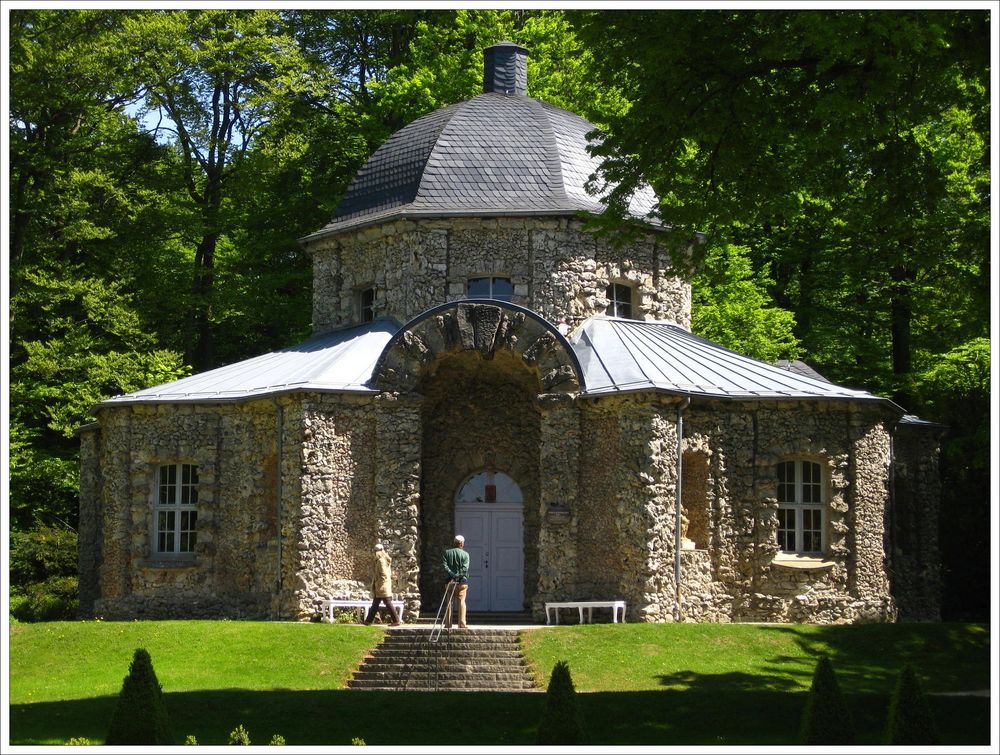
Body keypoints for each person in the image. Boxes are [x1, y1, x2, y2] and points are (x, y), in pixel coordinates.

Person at [364, 543, 402, 626]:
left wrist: (379, 584)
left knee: (387, 602)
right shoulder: (384, 559)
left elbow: (383, 574)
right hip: (383, 585)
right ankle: (368, 621)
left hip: (382, 586)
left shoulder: (381, 561)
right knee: (376, 604)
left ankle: (396, 621)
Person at [442, 534, 470, 629]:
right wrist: (458, 576)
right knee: (462, 601)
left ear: (454, 543)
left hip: (449, 581)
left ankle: (448, 624)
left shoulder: (447, 553)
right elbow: (465, 568)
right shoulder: (465, 554)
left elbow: (445, 566)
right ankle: (462, 624)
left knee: (449, 602)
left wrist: (452, 575)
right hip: (462, 581)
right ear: (462, 544)